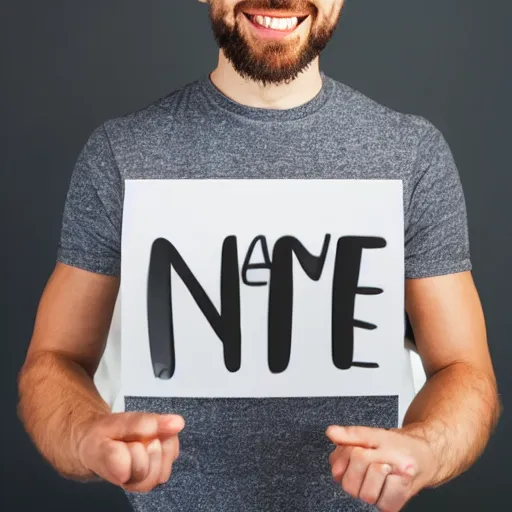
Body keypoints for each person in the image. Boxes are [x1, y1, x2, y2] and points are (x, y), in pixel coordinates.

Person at [17, 1, 501, 511]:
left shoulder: (412, 156)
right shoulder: (120, 155)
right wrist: (85, 435)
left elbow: (463, 368)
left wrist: (426, 448)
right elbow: (55, 360)